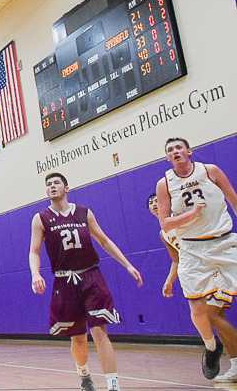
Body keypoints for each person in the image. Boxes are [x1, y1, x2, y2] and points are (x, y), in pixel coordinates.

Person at [29, 173, 143, 391]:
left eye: (56, 183)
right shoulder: (40, 218)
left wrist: (127, 265)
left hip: (91, 276)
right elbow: (34, 251)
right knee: (78, 338)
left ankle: (113, 386)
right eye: (48, 185)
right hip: (64, 281)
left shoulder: (84, 212)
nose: (52, 187)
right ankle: (84, 375)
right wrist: (35, 273)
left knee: (99, 330)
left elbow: (104, 240)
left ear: (67, 187)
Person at [154, 137, 237, 380]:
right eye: (170, 150)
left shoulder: (210, 171)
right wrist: (193, 214)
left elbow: (233, 199)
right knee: (201, 312)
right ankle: (213, 347)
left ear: (189, 151)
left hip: (222, 243)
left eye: (179, 147)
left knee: (214, 313)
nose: (175, 151)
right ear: (167, 158)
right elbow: (165, 224)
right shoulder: (164, 184)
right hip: (191, 251)